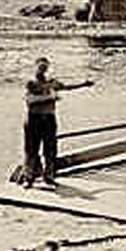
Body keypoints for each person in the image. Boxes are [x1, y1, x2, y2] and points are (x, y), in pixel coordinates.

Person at [23, 57, 94, 188]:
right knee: (31, 150)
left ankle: (49, 177)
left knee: (50, 149)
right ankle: (29, 177)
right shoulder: (31, 83)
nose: (42, 70)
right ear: (36, 68)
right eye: (40, 67)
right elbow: (30, 100)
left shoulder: (52, 83)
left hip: (49, 119)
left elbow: (67, 87)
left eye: (45, 68)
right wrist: (50, 97)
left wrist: (83, 84)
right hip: (34, 119)